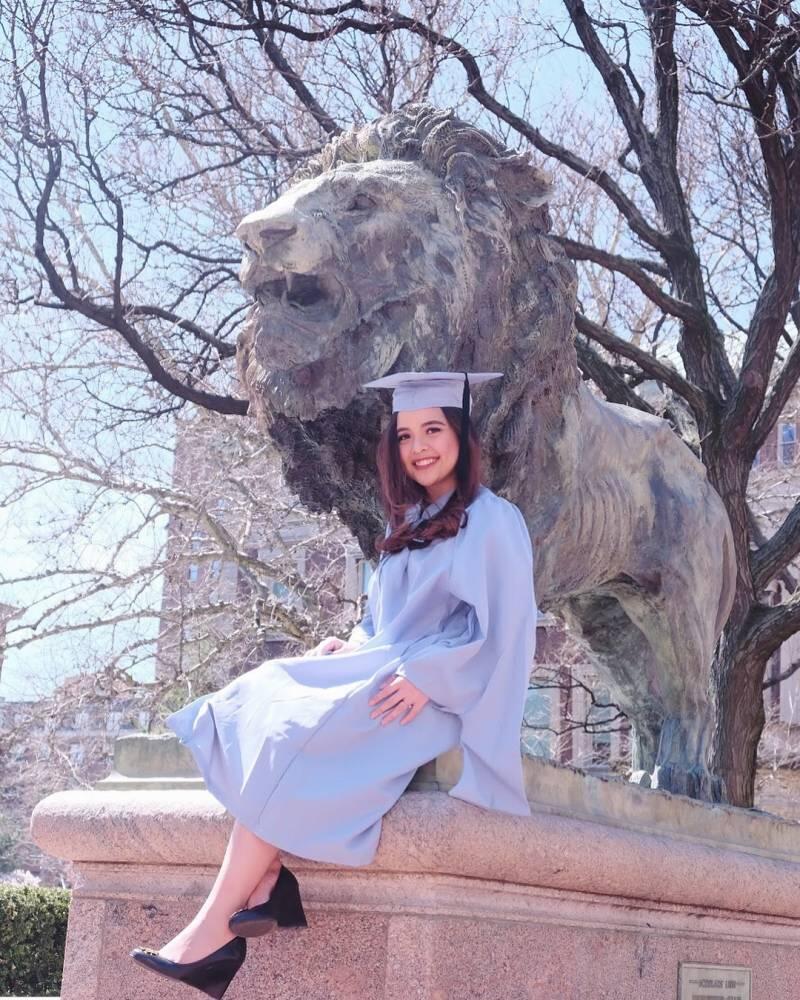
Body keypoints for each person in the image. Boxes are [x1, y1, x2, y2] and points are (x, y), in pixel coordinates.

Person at [130, 370, 538, 998]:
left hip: (434, 690)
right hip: (382, 666)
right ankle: (263, 885)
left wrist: (432, 677)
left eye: (433, 429)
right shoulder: (408, 522)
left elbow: (505, 630)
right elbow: (381, 619)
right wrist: (350, 643)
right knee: (267, 689)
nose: (419, 447)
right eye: (405, 435)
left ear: (462, 434)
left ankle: (211, 933)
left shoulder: (494, 520)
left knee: (298, 735)